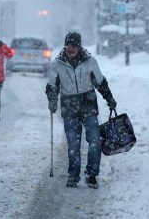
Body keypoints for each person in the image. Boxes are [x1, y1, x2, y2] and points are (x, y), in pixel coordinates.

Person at [45, 31, 117, 189]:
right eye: (69, 45)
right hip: (69, 108)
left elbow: (100, 82)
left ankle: (91, 175)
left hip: (88, 106)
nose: (71, 48)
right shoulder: (57, 64)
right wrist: (52, 99)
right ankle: (73, 176)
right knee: (73, 145)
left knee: (94, 142)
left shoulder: (90, 61)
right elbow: (52, 85)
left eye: (74, 45)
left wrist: (109, 98)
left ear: (79, 46)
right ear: (65, 45)